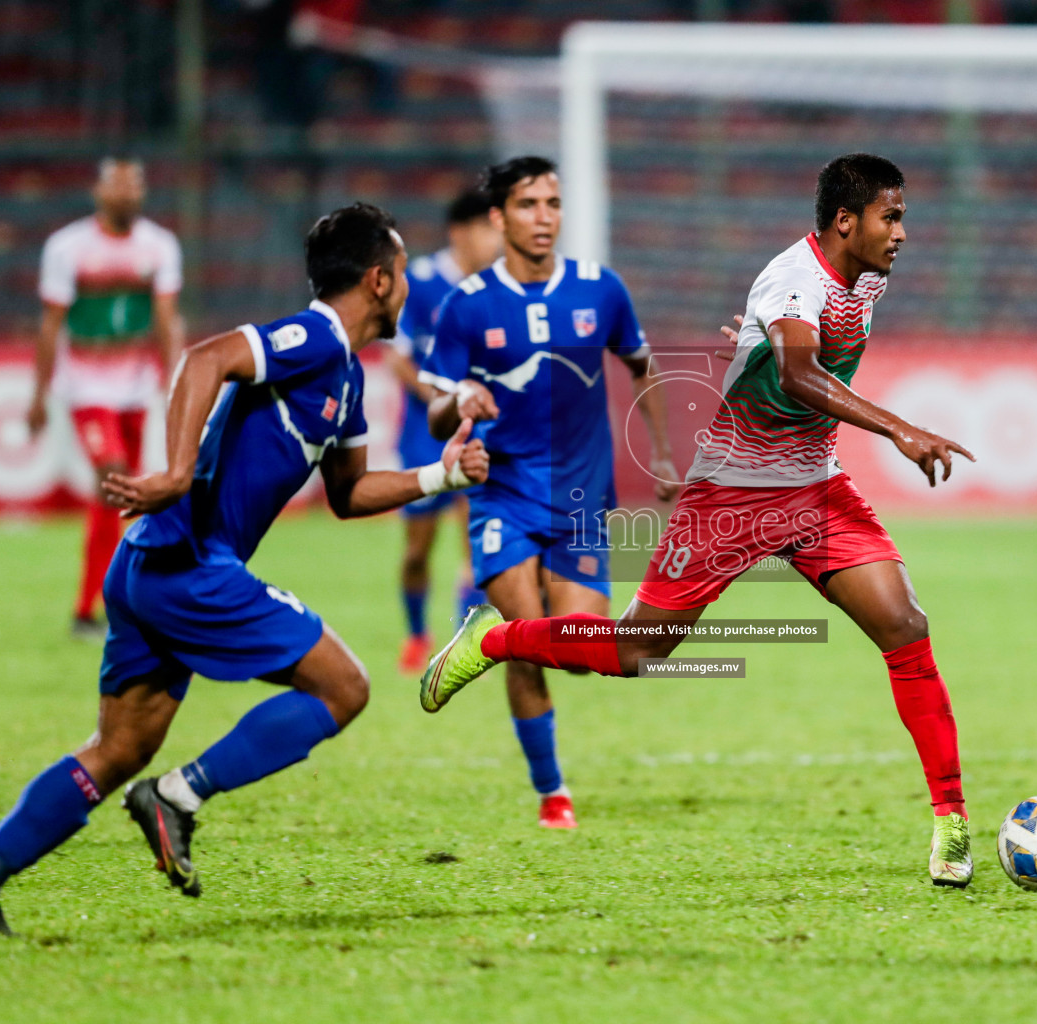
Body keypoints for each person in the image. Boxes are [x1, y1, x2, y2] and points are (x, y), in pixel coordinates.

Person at [0, 203, 489, 937]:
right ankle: (179, 797)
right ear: (381, 280)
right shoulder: (313, 334)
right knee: (344, 687)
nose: (410, 286)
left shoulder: (345, 375)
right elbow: (205, 359)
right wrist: (179, 469)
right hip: (189, 562)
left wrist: (441, 477)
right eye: (403, 270)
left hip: (148, 566)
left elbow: (349, 494)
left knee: (119, 747)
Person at [422, 154, 981, 887]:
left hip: (814, 487)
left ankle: (951, 822)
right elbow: (798, 373)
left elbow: (787, 354)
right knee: (636, 650)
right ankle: (492, 640)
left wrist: (754, 339)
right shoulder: (793, 278)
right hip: (731, 492)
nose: (902, 232)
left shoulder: (865, 278)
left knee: (905, 626)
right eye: (892, 216)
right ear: (847, 221)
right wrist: (900, 429)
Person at [418, 156, 678, 830]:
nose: (544, 217)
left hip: (584, 502)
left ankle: (484, 639)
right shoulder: (467, 306)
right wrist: (459, 402)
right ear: (499, 217)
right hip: (504, 496)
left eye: (553, 204)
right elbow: (436, 410)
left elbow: (641, 366)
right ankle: (552, 792)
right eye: (529, 204)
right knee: (529, 643)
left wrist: (664, 451)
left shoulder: (601, 290)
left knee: (589, 651)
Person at [31, 157, 184, 639]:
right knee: (114, 474)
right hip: (88, 388)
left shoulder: (160, 245)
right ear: (99, 192)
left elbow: (166, 318)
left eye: (134, 186)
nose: (126, 194)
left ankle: (95, 607)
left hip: (137, 388)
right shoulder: (68, 247)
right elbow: (51, 324)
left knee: (121, 496)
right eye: (117, 186)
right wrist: (38, 394)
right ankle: (106, 604)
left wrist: (173, 378)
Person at [385, 188, 501, 674]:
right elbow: (398, 359)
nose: (496, 242)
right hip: (424, 435)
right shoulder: (422, 283)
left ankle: (461, 646)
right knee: (417, 550)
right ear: (461, 231)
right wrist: (442, 402)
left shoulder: (499, 288)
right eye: (488, 231)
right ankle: (416, 634)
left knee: (476, 543)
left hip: (482, 433)